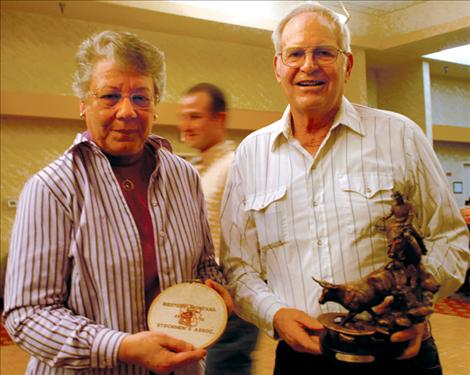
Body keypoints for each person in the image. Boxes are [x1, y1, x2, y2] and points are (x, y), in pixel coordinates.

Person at [220, 3, 469, 375]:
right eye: (296, 54)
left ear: (347, 65)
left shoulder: (399, 135)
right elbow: (237, 265)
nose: (309, 65)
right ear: (278, 66)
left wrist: (413, 305)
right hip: (301, 360)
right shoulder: (250, 156)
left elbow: (451, 238)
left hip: (399, 355)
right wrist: (274, 315)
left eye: (324, 52)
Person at [3, 30, 233, 375]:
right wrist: (121, 346)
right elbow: (27, 315)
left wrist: (216, 292)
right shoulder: (52, 189)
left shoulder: (183, 177)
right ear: (83, 103)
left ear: (156, 104)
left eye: (141, 97)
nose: (127, 111)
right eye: (110, 96)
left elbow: (203, 265)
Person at [178, 83, 259, 375]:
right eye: (183, 116)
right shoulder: (196, 168)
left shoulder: (235, 165)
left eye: (195, 116)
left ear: (219, 119)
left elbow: (251, 233)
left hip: (230, 296)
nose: (185, 125)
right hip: (203, 296)